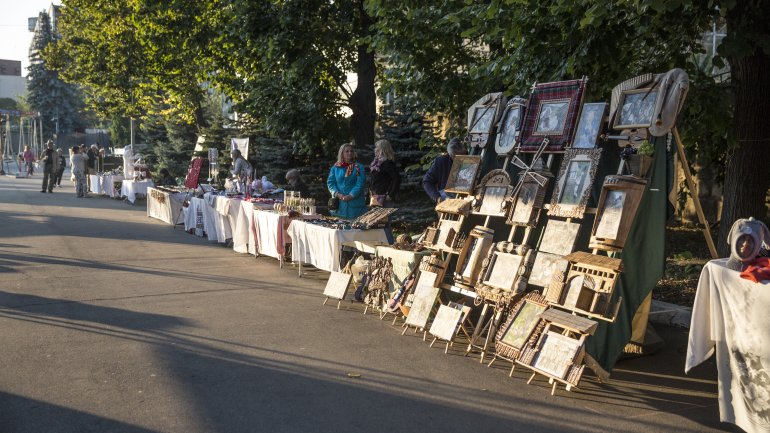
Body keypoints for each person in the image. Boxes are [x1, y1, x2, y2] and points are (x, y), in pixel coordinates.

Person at [327, 143, 366, 219]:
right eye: (347, 151)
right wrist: (337, 194)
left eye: (351, 151)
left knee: (355, 230)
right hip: (339, 206)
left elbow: (360, 184)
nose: (350, 153)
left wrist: (351, 195)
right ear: (342, 153)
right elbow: (330, 183)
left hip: (355, 206)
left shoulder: (358, 167)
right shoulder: (335, 167)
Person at [422, 137, 466, 203]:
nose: (458, 159)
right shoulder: (441, 162)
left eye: (461, 156)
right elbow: (427, 181)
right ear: (450, 154)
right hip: (446, 201)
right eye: (454, 157)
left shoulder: (473, 159)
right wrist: (437, 197)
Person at [368, 139, 401, 207]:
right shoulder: (376, 163)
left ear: (382, 150)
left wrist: (390, 195)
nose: (375, 149)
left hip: (384, 198)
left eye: (377, 147)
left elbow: (397, 179)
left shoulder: (388, 163)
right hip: (375, 197)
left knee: (385, 217)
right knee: (377, 217)